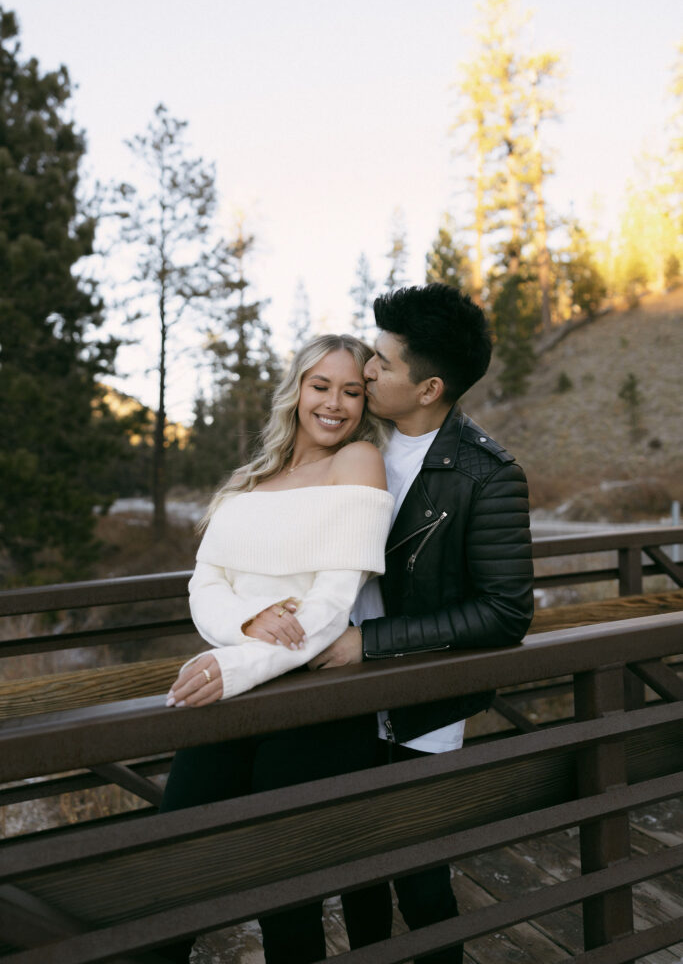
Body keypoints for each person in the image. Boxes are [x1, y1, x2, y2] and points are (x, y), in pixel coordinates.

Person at [309, 284, 535, 964]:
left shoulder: (485, 475)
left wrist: (368, 642)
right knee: (353, 868)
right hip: (338, 694)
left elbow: (504, 612)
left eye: (381, 362)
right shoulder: (351, 439)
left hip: (421, 703)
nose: (365, 371)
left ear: (430, 386)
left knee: (420, 875)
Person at [159, 333, 394, 964]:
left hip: (308, 702)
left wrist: (234, 665)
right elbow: (204, 585)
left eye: (352, 390)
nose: (336, 404)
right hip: (234, 688)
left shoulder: (359, 461)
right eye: (321, 385)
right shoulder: (249, 479)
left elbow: (326, 610)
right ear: (296, 390)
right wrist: (247, 622)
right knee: (176, 859)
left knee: (284, 887)